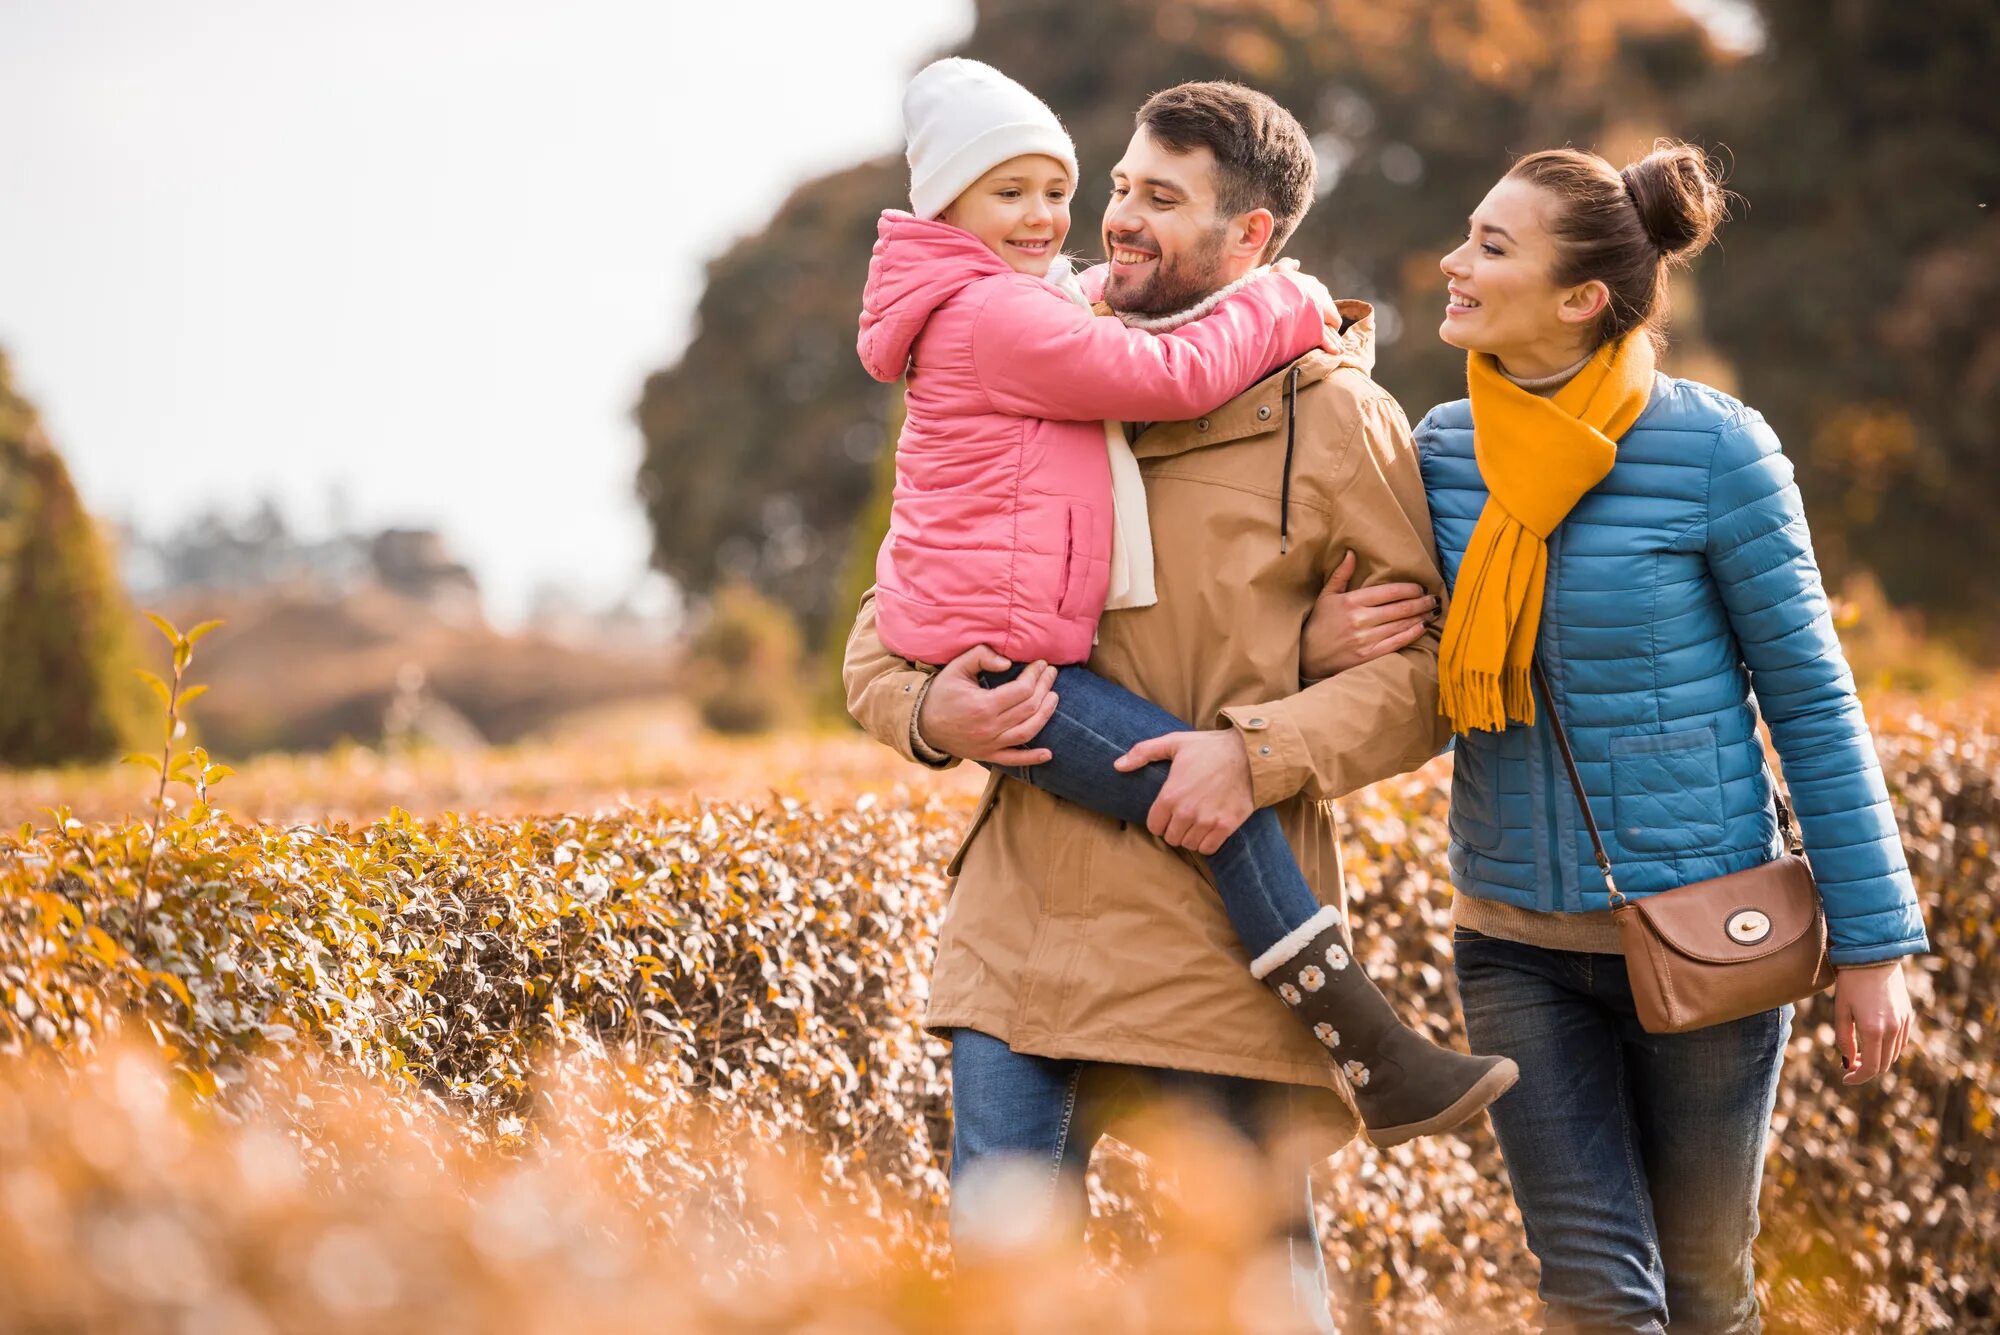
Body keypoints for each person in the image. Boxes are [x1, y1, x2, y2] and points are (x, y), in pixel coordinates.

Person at [1301, 141, 1929, 1333]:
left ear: (1581, 297)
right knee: (1593, 1294)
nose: (1451, 263)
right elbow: (1401, 664)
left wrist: (1873, 945)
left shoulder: (1713, 450)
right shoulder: (1433, 450)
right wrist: (1320, 642)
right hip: (1515, 940)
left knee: (1703, 1290)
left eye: (1490, 246)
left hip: (1708, 930)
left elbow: (1808, 696)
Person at [860, 57, 1513, 1163]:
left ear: (1250, 237)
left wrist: (1258, 748)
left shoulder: (1334, 414)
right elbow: (896, 622)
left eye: (1158, 200)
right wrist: (932, 719)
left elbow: (1422, 678)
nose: (1111, 220)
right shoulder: (1040, 360)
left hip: (1220, 964)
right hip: (1021, 943)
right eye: (1118, 186)